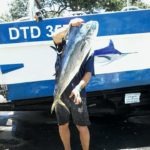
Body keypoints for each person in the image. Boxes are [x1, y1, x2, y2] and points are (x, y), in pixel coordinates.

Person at [52, 18, 94, 150]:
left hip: (77, 93)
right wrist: (70, 25)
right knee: (62, 125)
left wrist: (78, 88)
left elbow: (88, 73)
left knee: (81, 126)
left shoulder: (88, 50)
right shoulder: (62, 46)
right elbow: (55, 35)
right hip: (60, 92)